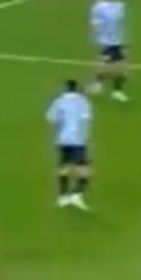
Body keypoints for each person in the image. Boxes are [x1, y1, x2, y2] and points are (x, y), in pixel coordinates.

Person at [46, 79, 94, 210]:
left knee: (64, 167)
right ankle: (76, 194)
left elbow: (51, 118)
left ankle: (62, 196)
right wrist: (87, 139)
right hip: (78, 140)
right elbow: (85, 121)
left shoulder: (59, 101)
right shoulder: (83, 102)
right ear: (76, 88)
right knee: (83, 169)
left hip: (63, 139)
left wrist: (57, 134)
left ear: (66, 88)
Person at [89, 0, 128, 101]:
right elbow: (95, 24)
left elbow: (119, 17)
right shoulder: (98, 7)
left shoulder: (119, 5)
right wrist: (98, 35)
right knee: (115, 67)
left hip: (117, 41)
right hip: (107, 41)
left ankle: (98, 84)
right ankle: (115, 90)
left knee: (114, 67)